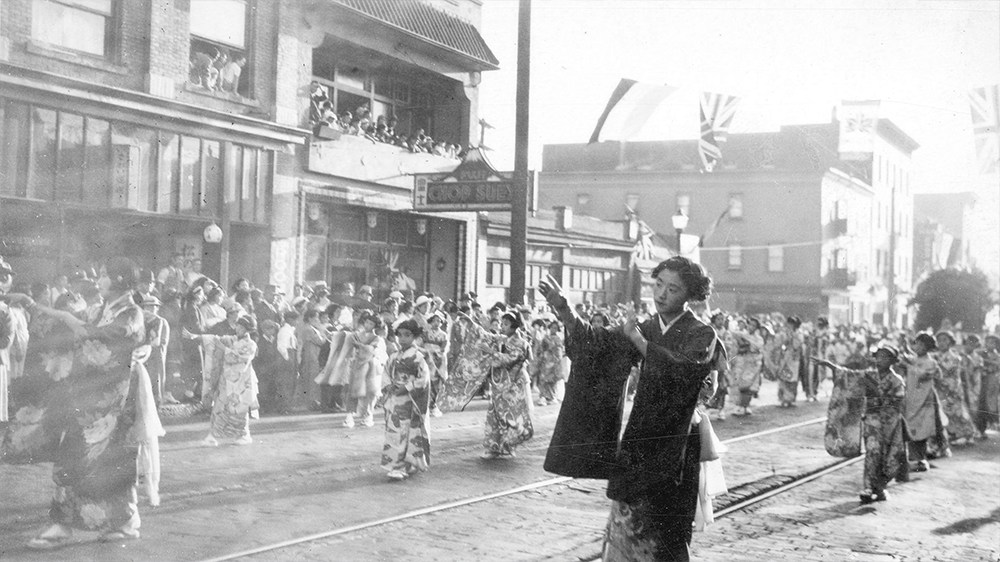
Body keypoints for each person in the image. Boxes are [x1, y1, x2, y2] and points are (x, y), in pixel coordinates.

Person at [540, 257, 724, 562]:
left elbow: (681, 372)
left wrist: (637, 338)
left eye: (673, 289)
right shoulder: (648, 326)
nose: (662, 294)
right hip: (639, 438)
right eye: (658, 284)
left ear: (690, 295)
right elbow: (596, 345)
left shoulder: (701, 334)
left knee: (666, 533)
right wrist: (565, 309)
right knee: (625, 525)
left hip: (676, 443)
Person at [3, 258, 159, 547]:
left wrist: (75, 325)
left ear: (120, 279)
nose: (99, 281)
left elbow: (107, 337)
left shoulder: (132, 312)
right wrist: (31, 304)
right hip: (93, 396)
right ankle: (112, 521)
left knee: (106, 459)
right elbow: (74, 324)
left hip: (115, 398)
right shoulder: (101, 309)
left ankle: (72, 523)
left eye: (103, 275)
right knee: (87, 455)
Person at [814, 345, 908, 503]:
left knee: (889, 456)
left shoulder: (896, 380)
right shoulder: (869, 375)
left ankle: (880, 487)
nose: (880, 360)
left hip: (890, 424)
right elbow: (849, 375)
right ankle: (869, 486)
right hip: (872, 421)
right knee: (873, 451)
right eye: (878, 357)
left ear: (892, 361)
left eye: (885, 357)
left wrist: (883, 399)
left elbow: (899, 400)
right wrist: (830, 365)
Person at [456, 309, 534, 459]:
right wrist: (472, 323)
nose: (502, 327)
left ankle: (507, 446)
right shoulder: (503, 339)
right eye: (502, 324)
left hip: (514, 384)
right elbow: (487, 335)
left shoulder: (522, 343)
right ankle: (493, 447)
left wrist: (491, 353)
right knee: (495, 415)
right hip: (500, 384)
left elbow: (510, 359)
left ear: (514, 326)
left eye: (506, 324)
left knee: (510, 415)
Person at [191, 314, 259, 446]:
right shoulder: (232, 339)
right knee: (219, 406)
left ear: (247, 329)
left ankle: (244, 434)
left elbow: (239, 358)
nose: (237, 328)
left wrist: (224, 350)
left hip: (242, 381)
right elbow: (216, 339)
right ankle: (212, 436)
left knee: (239, 408)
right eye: (238, 325)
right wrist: (198, 337)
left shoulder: (251, 344)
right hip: (226, 379)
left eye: (241, 326)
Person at [380, 319, 431, 481]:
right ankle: (405, 463)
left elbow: (424, 379)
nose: (402, 339)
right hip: (395, 397)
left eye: (407, 335)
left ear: (415, 337)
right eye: (400, 335)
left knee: (405, 432)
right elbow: (386, 372)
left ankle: (400, 465)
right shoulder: (393, 356)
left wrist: (407, 387)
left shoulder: (418, 357)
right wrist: (387, 386)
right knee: (393, 432)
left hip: (409, 401)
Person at [898, 333, 948, 471]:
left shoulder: (931, 362)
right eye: (917, 344)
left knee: (922, 429)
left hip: (924, 399)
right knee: (911, 427)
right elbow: (906, 359)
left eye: (922, 345)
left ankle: (920, 459)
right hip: (912, 398)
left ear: (928, 347)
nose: (918, 347)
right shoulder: (914, 359)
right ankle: (914, 459)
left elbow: (923, 374)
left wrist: (907, 366)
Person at [933, 330, 977, 444]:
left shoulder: (955, 357)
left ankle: (966, 433)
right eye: (939, 340)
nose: (941, 343)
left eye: (945, 340)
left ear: (950, 342)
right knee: (943, 412)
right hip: (940, 387)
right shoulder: (935, 356)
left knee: (956, 412)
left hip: (951, 388)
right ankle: (949, 434)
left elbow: (947, 371)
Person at [730, 317, 765, 416]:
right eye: (750, 324)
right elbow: (734, 335)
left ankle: (745, 406)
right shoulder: (742, 334)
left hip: (754, 364)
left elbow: (758, 347)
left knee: (750, 386)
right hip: (743, 363)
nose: (751, 327)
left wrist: (748, 341)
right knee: (741, 384)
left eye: (754, 325)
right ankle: (739, 405)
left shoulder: (759, 339)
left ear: (757, 328)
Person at [534, 320, 566, 406]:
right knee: (543, 379)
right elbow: (540, 349)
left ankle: (551, 397)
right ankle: (543, 396)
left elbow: (560, 352)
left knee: (552, 381)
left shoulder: (559, 339)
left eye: (555, 328)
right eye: (552, 327)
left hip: (554, 362)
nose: (553, 329)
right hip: (545, 361)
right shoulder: (545, 338)